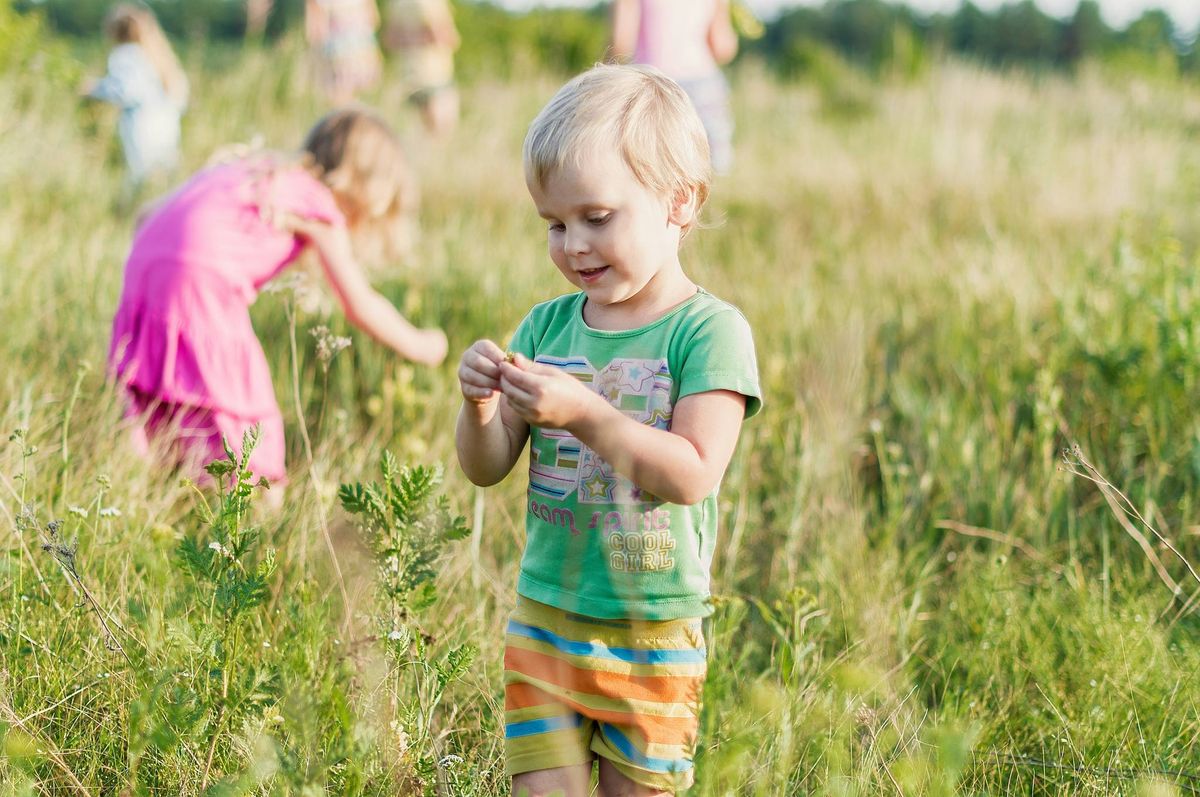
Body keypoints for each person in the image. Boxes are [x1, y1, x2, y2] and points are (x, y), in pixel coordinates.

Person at [455, 64, 761, 796]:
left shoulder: (709, 332)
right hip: (545, 613)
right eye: (555, 225)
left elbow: (693, 471)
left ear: (678, 202)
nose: (574, 245)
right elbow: (487, 466)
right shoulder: (547, 325)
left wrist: (587, 412)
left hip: (650, 628)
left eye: (597, 217)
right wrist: (479, 408)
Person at [109, 108, 447, 496]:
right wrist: (424, 346)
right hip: (202, 285)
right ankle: (257, 517)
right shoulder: (319, 206)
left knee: (172, 398)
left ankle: (149, 489)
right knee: (254, 424)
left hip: (144, 268)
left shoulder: (257, 170)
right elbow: (360, 304)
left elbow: (145, 215)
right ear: (369, 188)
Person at [610, 0, 738, 174]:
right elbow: (721, 46)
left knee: (652, 165)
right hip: (703, 82)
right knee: (711, 161)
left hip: (652, 84)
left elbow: (622, 43)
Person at [83, 3, 189, 197]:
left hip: (141, 128)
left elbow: (126, 91)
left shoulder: (124, 55)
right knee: (166, 183)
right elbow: (180, 95)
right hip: (167, 126)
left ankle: (128, 216)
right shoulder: (158, 53)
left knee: (138, 179)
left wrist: (95, 88)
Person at [382, 0, 460, 137]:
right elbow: (444, 37)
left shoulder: (396, 3)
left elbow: (389, 39)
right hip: (436, 76)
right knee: (441, 135)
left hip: (407, 76)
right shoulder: (431, 3)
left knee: (418, 135)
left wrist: (409, 39)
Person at [306, 0, 383, 105]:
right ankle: (346, 113)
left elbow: (373, 18)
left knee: (353, 88)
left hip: (357, 42)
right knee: (339, 89)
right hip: (338, 45)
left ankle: (350, 112)